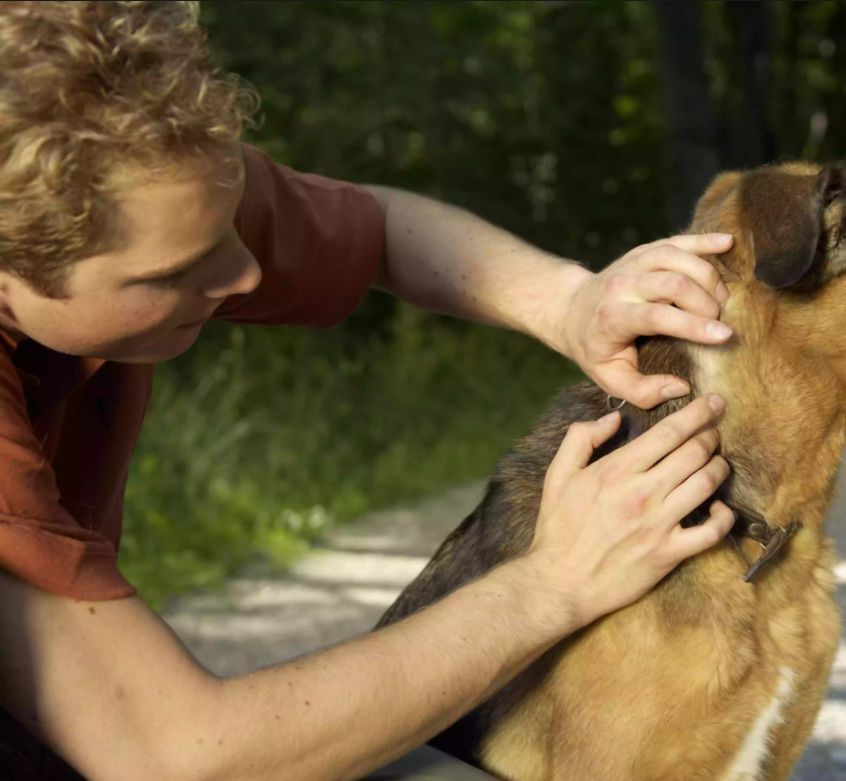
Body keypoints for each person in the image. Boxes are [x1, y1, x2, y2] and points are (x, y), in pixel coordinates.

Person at [0, 3, 738, 780]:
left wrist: (572, 303)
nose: (245, 273)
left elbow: (382, 227)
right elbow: (179, 754)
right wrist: (553, 583)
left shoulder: (146, 190)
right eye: (171, 275)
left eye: (229, 224)